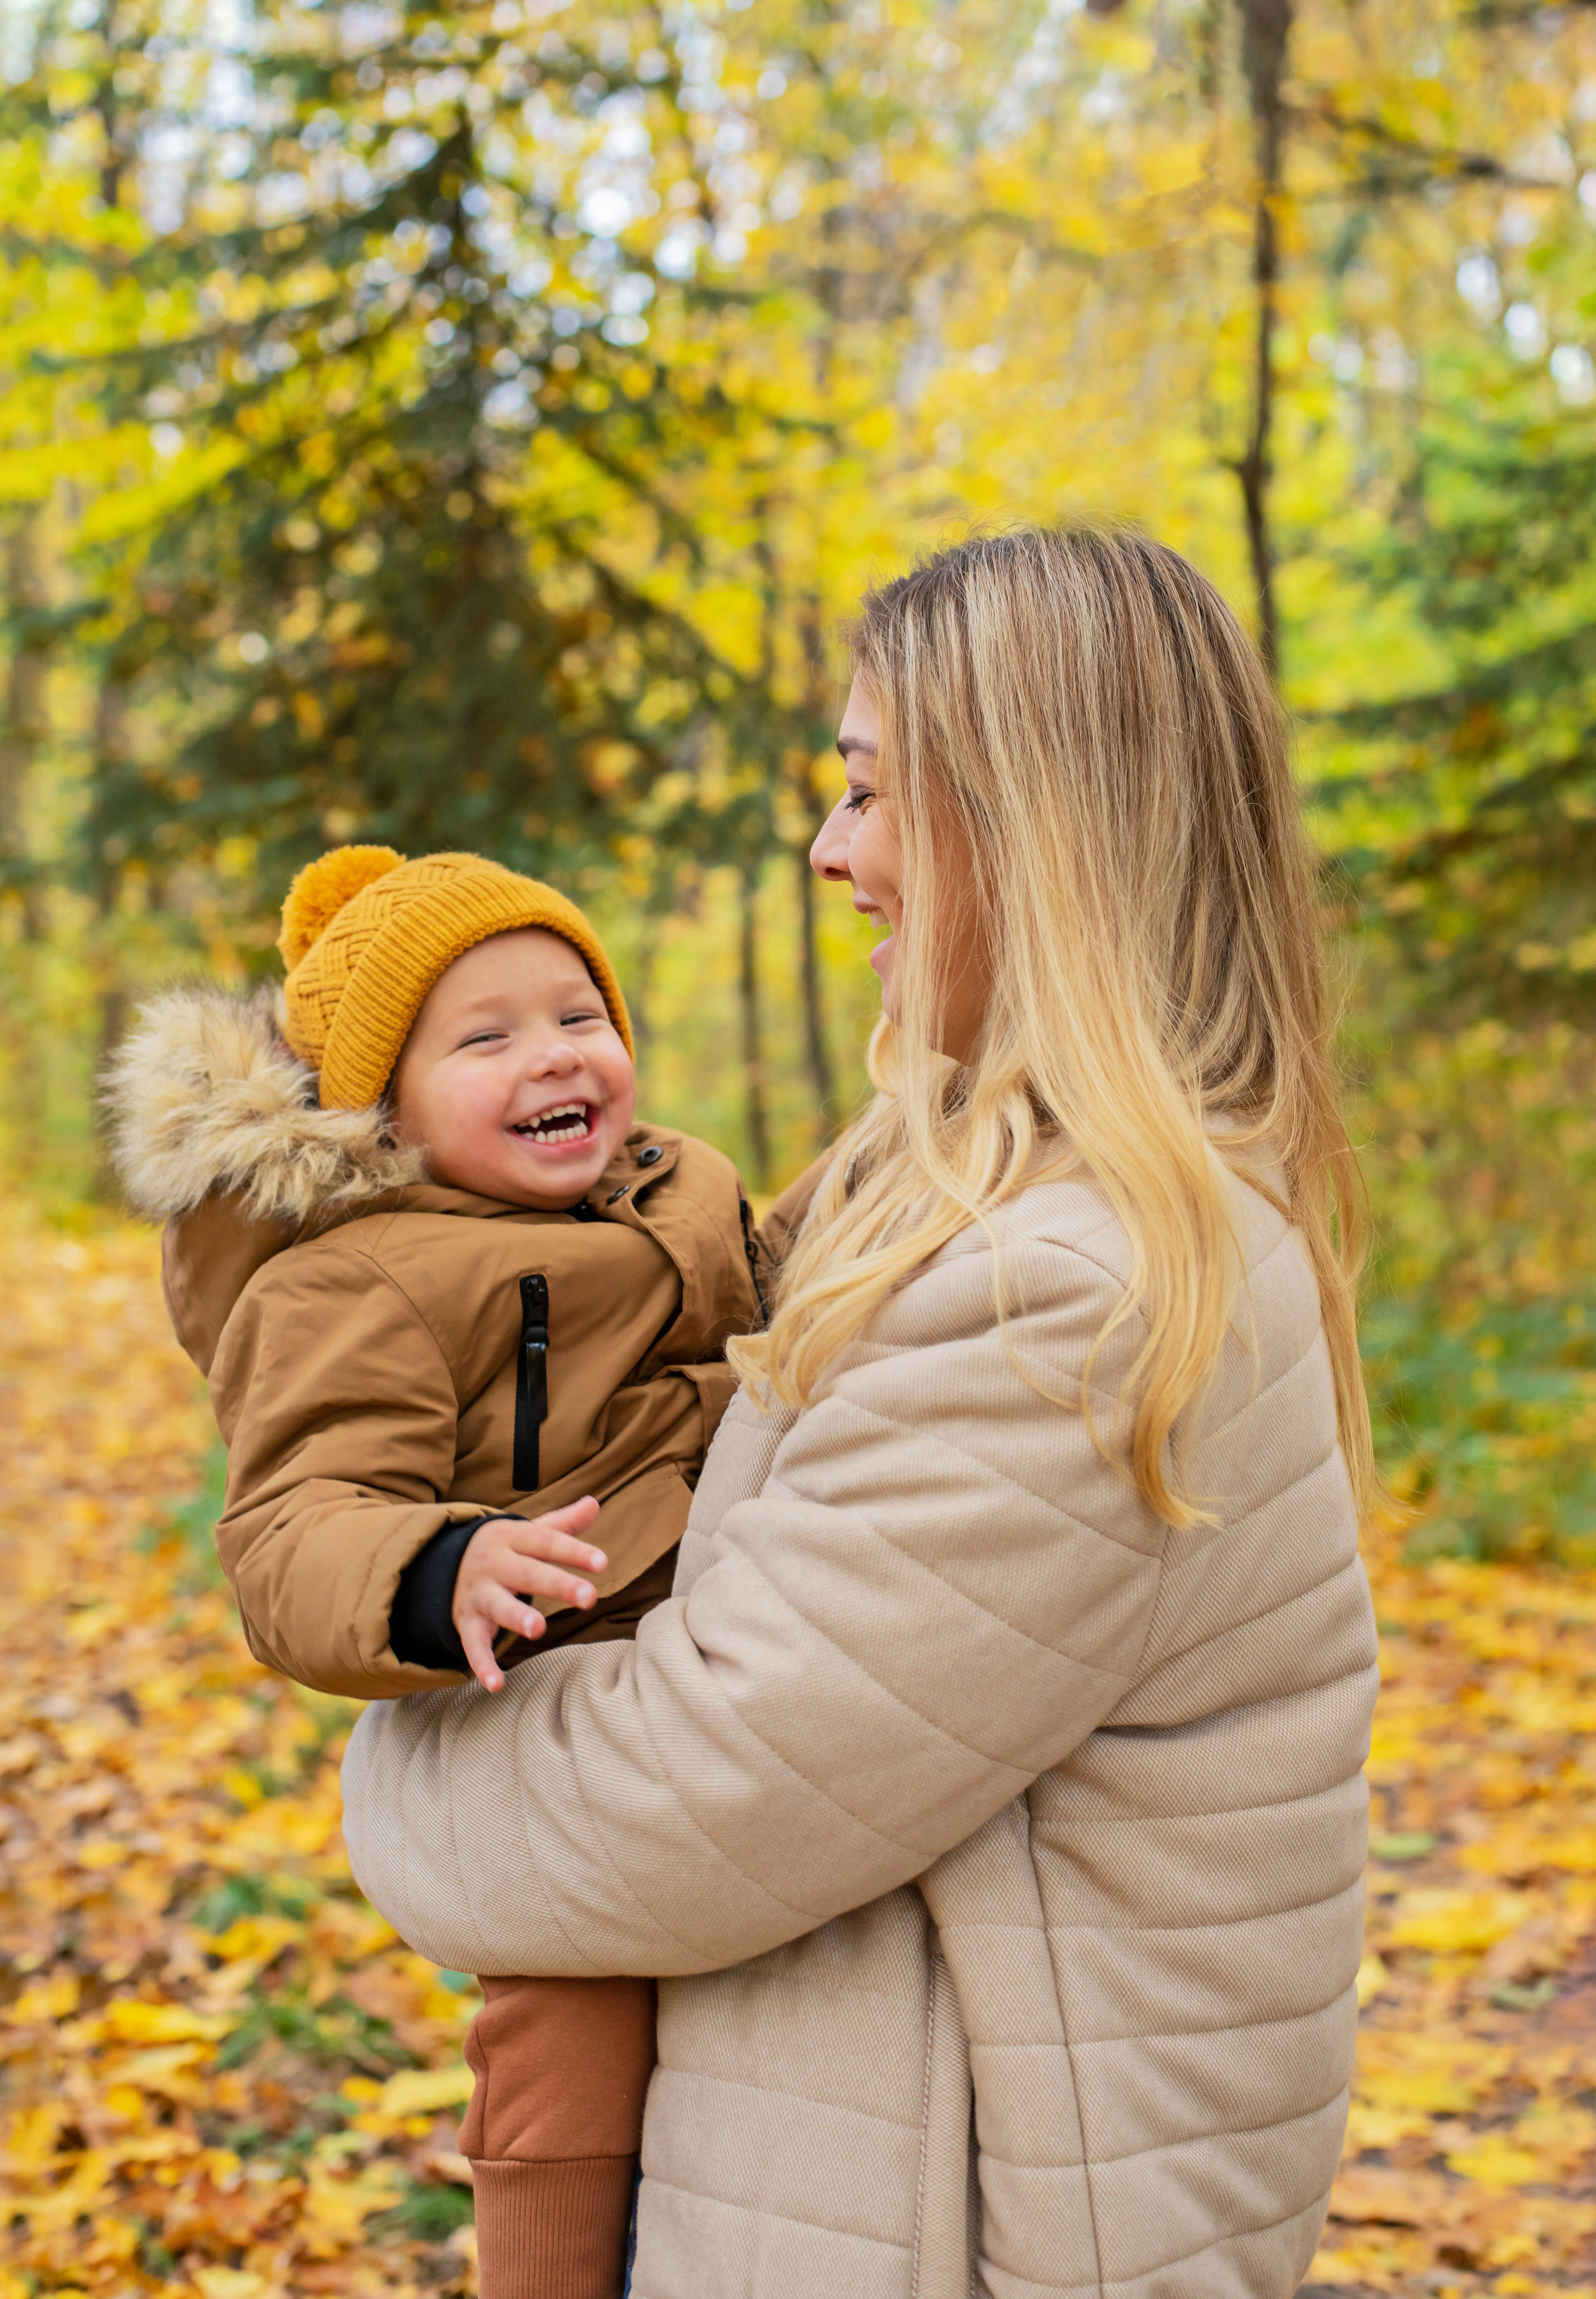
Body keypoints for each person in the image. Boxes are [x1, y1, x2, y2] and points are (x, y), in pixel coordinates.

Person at [342, 527, 1381, 2299]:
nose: (833, 851)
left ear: (1036, 828)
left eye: (874, 792)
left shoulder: (1078, 1284)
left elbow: (687, 1796)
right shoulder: (988, 1201)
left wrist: (397, 1760)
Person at [110, 847, 773, 2299]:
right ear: (378, 1115)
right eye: (486, 1038)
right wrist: (440, 1562)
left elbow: (789, 1292)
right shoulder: (360, 1283)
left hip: (735, 1625)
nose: (556, 1056)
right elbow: (295, 1522)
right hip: (557, 1679)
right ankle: (544, 2275)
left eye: (577, 1014)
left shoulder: (681, 1184)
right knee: (567, 2023)